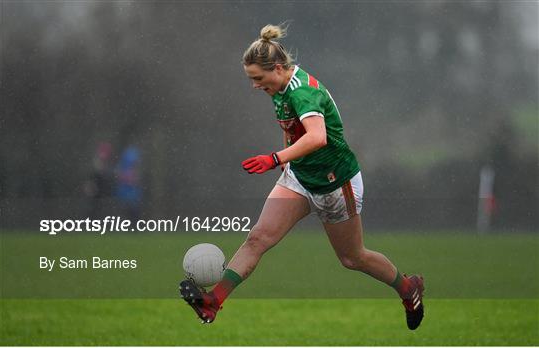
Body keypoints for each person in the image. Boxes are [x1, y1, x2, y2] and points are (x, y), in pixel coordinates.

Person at [180, 24, 425, 330]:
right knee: (258, 238)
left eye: (258, 78)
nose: (255, 85)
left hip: (336, 183)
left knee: (352, 258)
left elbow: (317, 137)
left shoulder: (302, 92)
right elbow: (292, 129)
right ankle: (212, 302)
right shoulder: (278, 87)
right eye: (251, 79)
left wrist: (275, 159)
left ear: (279, 68)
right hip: (299, 178)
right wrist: (287, 163)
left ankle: (408, 288)